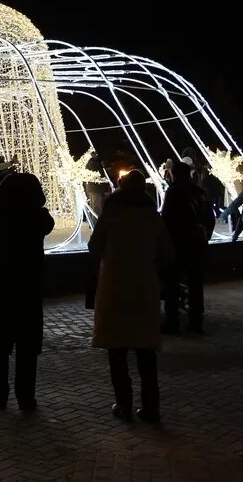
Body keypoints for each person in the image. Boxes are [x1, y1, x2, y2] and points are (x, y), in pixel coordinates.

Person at [90, 169, 174, 424]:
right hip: (143, 287)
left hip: (115, 286)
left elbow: (94, 246)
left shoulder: (111, 214)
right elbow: (168, 253)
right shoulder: (151, 216)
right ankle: (151, 406)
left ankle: (124, 403)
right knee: (145, 349)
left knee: (117, 349)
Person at [0, 171, 54, 410]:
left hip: (2, 282)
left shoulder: (0, 214)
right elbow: (47, 223)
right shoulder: (40, 218)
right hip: (28, 283)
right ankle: (26, 397)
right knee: (27, 347)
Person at [160, 161, 212, 334]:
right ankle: (196, 321)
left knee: (172, 282)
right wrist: (205, 237)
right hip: (197, 242)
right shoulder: (200, 192)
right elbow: (209, 219)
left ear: (174, 174)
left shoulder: (174, 192)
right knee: (195, 283)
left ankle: (172, 321)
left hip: (179, 242)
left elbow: (167, 218)